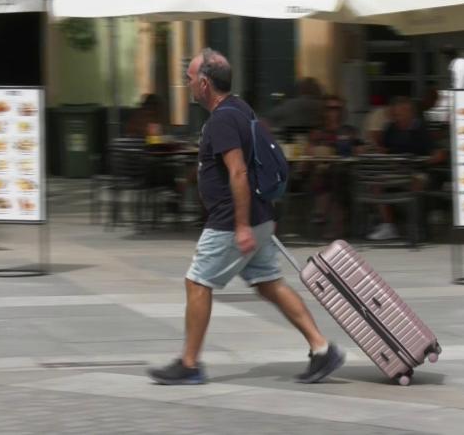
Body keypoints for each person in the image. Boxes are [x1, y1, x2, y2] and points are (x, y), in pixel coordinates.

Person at [147, 48, 345, 385]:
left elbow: (238, 173)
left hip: (232, 220)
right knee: (269, 284)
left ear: (205, 83)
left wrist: (241, 226)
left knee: (197, 282)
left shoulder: (223, 119)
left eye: (191, 78)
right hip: (258, 215)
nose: (188, 83)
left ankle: (190, 364)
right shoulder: (241, 108)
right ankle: (322, 349)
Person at [367, 97, 437, 241]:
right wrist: (377, 150)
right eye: (396, 114)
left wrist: (427, 161)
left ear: (410, 113)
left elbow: (436, 153)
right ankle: (389, 226)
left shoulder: (421, 128)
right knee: (375, 184)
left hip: (417, 170)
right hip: (395, 170)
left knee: (416, 183)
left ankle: (416, 227)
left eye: (401, 113)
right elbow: (384, 149)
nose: (398, 117)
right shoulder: (391, 128)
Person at [306, 95, 362, 238]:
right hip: (322, 172)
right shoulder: (317, 132)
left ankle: (321, 214)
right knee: (326, 175)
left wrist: (356, 149)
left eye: (337, 108)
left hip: (347, 172)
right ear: (323, 111)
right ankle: (332, 224)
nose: (333, 112)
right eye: (329, 108)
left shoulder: (349, 131)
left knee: (335, 177)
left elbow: (360, 149)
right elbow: (309, 151)